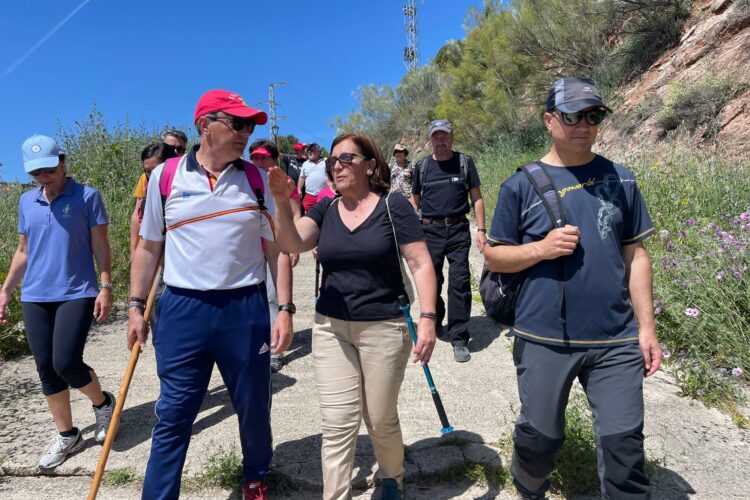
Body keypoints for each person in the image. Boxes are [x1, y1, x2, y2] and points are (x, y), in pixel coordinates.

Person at [483, 76, 661, 499]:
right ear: (549, 120)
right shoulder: (520, 185)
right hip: (544, 336)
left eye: (594, 115)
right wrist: (541, 249)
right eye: (572, 115)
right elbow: (493, 257)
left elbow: (635, 255)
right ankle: (528, 488)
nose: (584, 124)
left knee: (625, 448)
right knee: (539, 439)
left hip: (615, 339)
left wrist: (647, 328)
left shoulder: (622, 179)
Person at [127, 89, 294, 500]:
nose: (245, 133)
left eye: (250, 126)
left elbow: (277, 249)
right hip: (183, 309)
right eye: (236, 124)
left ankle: (255, 475)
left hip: (244, 308)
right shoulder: (165, 178)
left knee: (253, 405)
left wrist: (286, 308)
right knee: (174, 413)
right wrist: (135, 305)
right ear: (205, 125)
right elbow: (149, 247)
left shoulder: (257, 180)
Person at [268, 132, 438, 500]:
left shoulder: (393, 206)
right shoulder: (326, 208)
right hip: (331, 328)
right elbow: (293, 243)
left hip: (385, 326)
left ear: (370, 165)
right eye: (332, 161)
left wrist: (428, 317)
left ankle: (392, 478)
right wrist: (283, 203)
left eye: (346, 159)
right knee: (337, 425)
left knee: (378, 418)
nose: (337, 166)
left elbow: (421, 262)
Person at [0, 134, 115, 469]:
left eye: (49, 169)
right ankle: (67, 434)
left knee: (66, 362)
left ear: (63, 162)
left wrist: (106, 286)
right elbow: (23, 252)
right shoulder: (26, 202)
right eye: (36, 173)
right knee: (46, 369)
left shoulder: (87, 197)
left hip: (77, 291)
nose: (43, 177)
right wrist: (6, 290)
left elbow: (101, 247)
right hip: (35, 294)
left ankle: (103, 403)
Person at [410, 120, 487, 362]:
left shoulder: (465, 163)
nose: (440, 141)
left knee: (460, 283)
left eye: (444, 136)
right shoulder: (422, 168)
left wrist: (482, 229)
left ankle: (459, 337)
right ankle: (437, 319)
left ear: (452, 137)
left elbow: (477, 198)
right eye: (436, 137)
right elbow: (415, 202)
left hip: (458, 230)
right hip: (429, 232)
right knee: (432, 281)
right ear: (430, 139)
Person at [250, 139, 301, 373]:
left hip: (276, 248)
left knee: (273, 299)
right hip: (251, 252)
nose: (258, 161)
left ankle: (274, 351)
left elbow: (295, 214)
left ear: (274, 159)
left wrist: (292, 247)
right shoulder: (247, 182)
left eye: (263, 157)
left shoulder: (285, 183)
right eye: (254, 157)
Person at [298, 142, 327, 212]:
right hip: (309, 195)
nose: (309, 152)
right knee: (306, 215)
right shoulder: (305, 164)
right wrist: (299, 189)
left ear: (318, 152)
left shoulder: (326, 162)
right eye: (308, 150)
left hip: (324, 194)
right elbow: (301, 178)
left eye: (312, 150)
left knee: (324, 214)